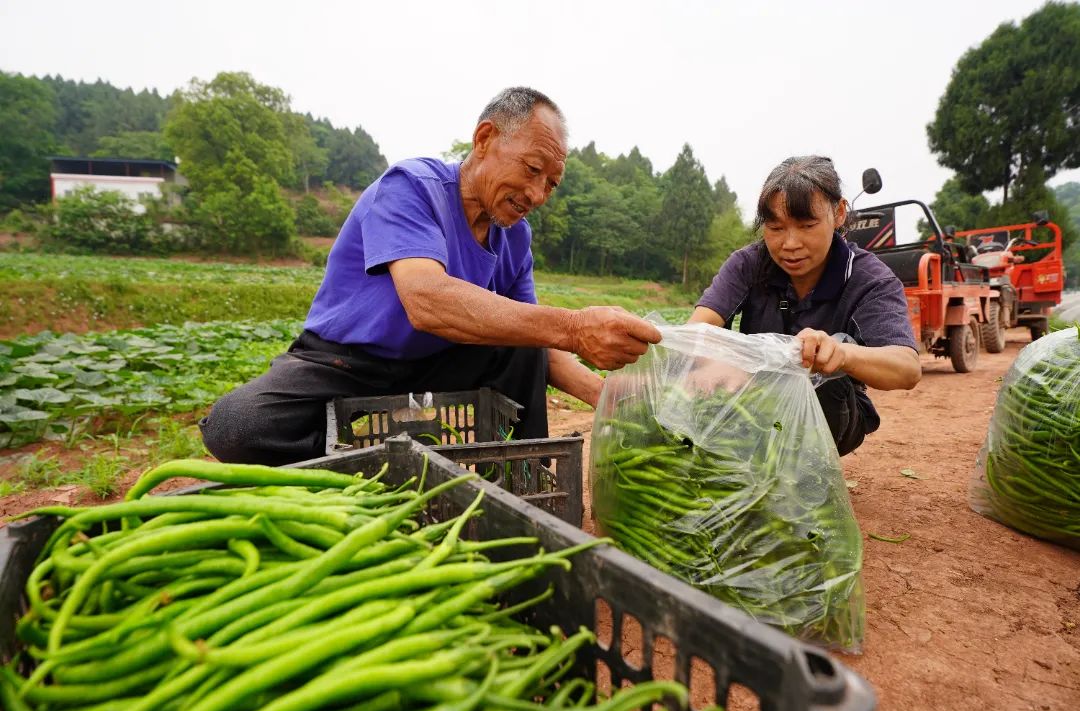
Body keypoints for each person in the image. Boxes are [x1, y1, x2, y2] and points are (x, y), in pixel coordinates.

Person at [200, 87, 661, 465]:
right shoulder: (412, 188)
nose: (538, 194)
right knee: (238, 427)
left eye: (551, 184)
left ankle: (523, 473)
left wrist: (609, 398)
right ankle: (363, 465)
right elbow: (426, 301)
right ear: (484, 139)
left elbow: (540, 344)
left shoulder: (515, 238)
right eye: (533, 170)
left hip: (439, 364)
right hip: (344, 363)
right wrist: (576, 327)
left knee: (525, 340)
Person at [691, 155, 921, 456]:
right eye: (775, 228)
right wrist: (721, 361)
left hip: (831, 411)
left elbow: (906, 368)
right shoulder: (748, 264)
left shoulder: (869, 279)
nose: (790, 244)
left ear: (839, 213)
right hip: (748, 392)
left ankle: (801, 476)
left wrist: (841, 354)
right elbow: (697, 329)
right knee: (689, 375)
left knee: (821, 385)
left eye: (807, 225)